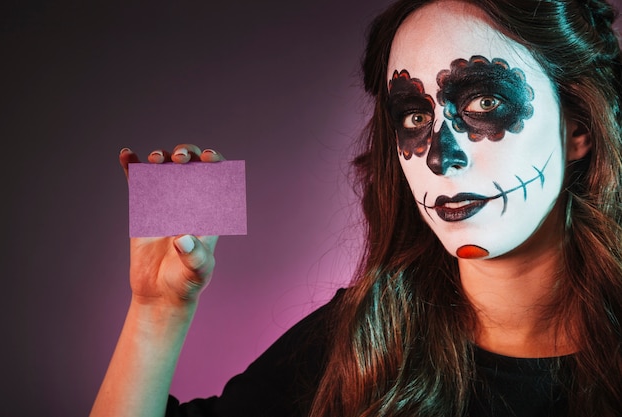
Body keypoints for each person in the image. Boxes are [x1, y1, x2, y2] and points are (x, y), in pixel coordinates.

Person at [90, 0, 622, 416]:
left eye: (484, 103)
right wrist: (158, 311)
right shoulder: (361, 339)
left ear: (577, 126)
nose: (441, 158)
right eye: (413, 117)